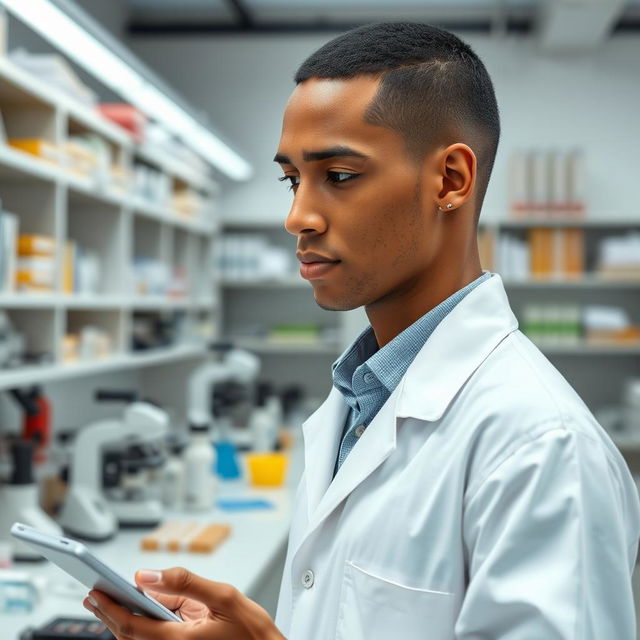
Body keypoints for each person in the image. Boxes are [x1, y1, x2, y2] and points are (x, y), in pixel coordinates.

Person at [85, 22, 640, 640]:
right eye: (293, 179)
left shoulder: (542, 449)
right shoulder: (359, 399)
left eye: (340, 176)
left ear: (450, 180)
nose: (298, 216)